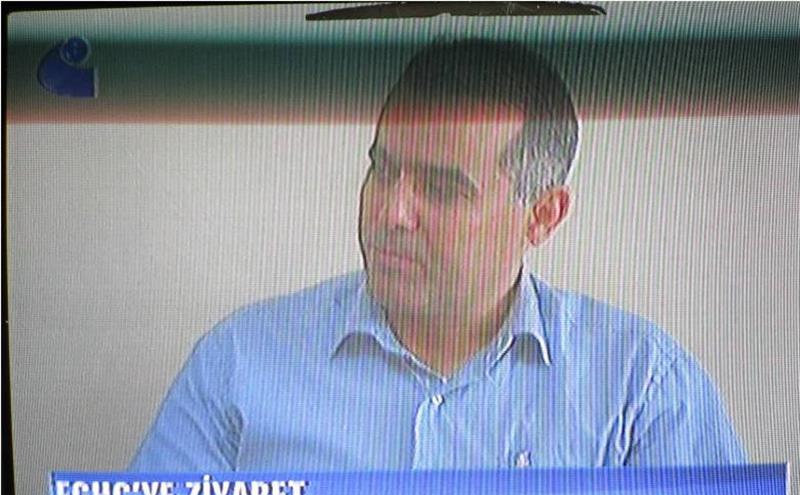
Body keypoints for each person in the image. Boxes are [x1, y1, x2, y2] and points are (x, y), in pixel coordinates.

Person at [130, 40, 745, 472]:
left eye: (444, 189)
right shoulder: (241, 362)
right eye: (383, 170)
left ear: (541, 216)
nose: (393, 213)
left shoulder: (643, 388)